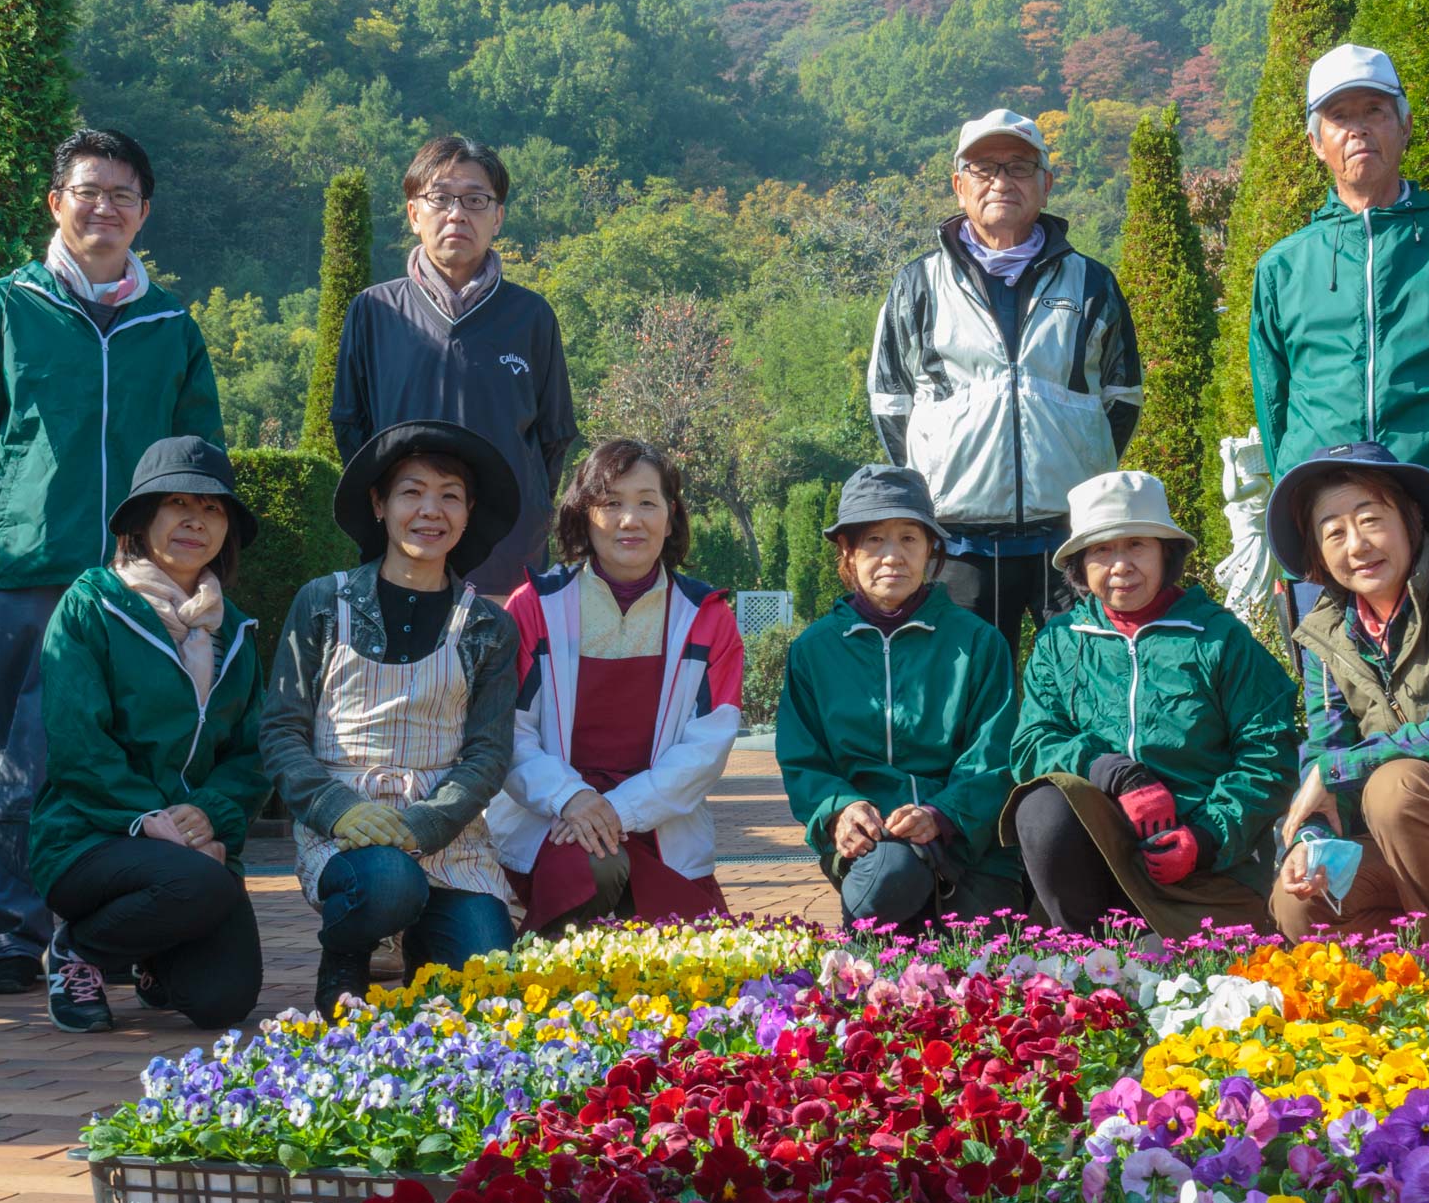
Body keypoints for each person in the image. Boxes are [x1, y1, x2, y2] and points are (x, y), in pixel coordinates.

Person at [0, 128, 225, 997]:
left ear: (144, 213)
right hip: (34, 572)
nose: (105, 208)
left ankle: (106, 932)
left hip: (141, 585)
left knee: (134, 761)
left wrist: (194, 561)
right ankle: (12, 936)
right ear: (56, 202)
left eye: (123, 195)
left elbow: (199, 454)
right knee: (21, 756)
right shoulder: (5, 308)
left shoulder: (170, 323)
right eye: (88, 191)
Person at [261, 421, 522, 1014]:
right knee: (386, 884)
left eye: (450, 495)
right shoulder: (324, 603)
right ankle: (348, 955)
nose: (431, 510)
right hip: (345, 828)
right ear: (379, 505)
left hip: (447, 838)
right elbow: (280, 730)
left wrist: (426, 824)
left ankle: (419, 945)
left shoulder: (487, 626)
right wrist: (338, 809)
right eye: (411, 492)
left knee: (490, 985)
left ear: (468, 511)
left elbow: (487, 752)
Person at [867, 108, 1144, 654]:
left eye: (1019, 167)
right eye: (983, 168)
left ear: (1046, 183)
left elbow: (1121, 397)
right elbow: (890, 401)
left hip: (1066, 539)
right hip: (959, 541)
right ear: (958, 185)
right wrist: (939, 480)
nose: (1001, 181)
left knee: (1079, 681)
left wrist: (1074, 461)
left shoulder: (1092, 283)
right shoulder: (917, 284)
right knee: (967, 695)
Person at [1248, 44, 1429, 556]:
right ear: (1317, 143)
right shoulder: (1282, 266)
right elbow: (1275, 409)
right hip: (1329, 532)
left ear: (1403, 126)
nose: (1358, 129)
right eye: (1339, 117)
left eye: (1374, 112)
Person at [27, 437, 265, 1033]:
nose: (196, 521)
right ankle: (80, 951)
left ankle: (153, 956)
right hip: (89, 836)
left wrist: (208, 816)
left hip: (191, 851)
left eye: (213, 509)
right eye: (177, 503)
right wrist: (148, 817)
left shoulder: (232, 629)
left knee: (223, 1001)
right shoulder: (91, 605)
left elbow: (253, 750)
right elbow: (78, 739)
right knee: (198, 884)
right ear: (142, 518)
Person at [1003, 472, 1298, 939]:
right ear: (1080, 565)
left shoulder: (1221, 639)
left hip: (1203, 867)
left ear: (1166, 553)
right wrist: (1112, 770)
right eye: (1101, 550)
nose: (1119, 565)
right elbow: (1032, 744)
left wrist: (1203, 838)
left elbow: (1269, 756)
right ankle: (1082, 946)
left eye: (1137, 544)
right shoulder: (1058, 642)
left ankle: (1166, 933)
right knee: (1041, 804)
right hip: (1098, 860)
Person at [488, 439, 742, 935]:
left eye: (647, 502)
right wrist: (572, 800)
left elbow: (707, 747)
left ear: (671, 515)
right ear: (584, 514)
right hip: (554, 819)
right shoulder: (533, 606)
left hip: (658, 820)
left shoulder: (707, 617)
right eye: (611, 503)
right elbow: (507, 733)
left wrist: (616, 811)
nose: (631, 520)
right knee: (594, 867)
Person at [1263, 442, 1429, 941]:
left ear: (1411, 518)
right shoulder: (1326, 637)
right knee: (1299, 901)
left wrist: (1337, 772)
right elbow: (1325, 751)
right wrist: (1310, 839)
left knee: (1393, 788)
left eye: (1371, 519)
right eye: (1333, 532)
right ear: (1318, 553)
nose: (1356, 545)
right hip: (1401, 842)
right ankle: (1396, 1004)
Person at [330, 136, 577, 600]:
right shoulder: (375, 311)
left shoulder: (532, 317)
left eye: (475, 200)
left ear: (498, 216)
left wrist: (522, 521)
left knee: (504, 673)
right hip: (404, 562)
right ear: (412, 213)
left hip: (508, 571)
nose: (457, 214)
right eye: (440, 199)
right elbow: (351, 427)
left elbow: (553, 438)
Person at [778, 465, 1023, 930]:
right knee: (889, 880)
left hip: (965, 839)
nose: (892, 556)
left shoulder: (977, 642)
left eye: (909, 538)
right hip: (871, 845)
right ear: (847, 552)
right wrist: (839, 810)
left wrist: (940, 814)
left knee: (988, 957)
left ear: (932, 549)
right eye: (873, 540)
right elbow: (803, 761)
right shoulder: (814, 650)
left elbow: (994, 756)